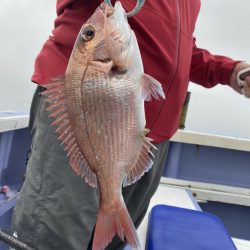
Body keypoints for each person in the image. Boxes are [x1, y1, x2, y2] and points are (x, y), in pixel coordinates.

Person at [11, 1, 250, 250]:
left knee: (113, 240)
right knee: (52, 238)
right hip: (82, 113)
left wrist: (231, 72)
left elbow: (179, 52)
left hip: (148, 137)